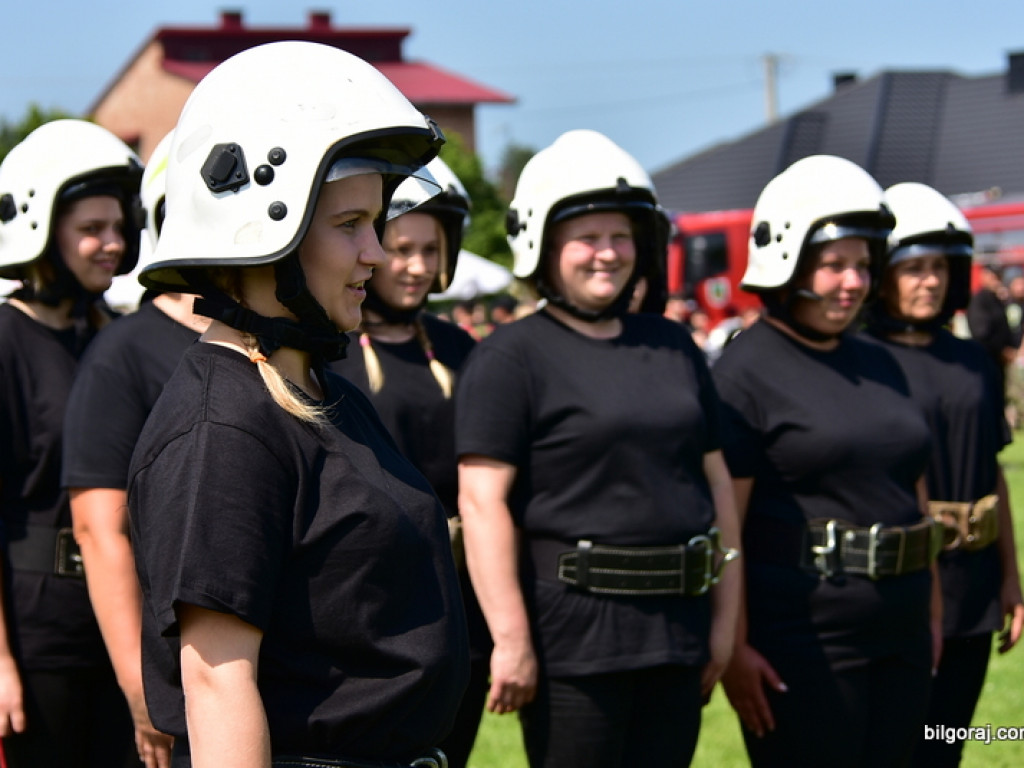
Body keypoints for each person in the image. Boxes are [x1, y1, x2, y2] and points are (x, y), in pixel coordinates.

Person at [125, 41, 468, 767]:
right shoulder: (222, 427)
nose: (376, 254)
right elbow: (218, 685)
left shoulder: (322, 394)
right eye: (350, 226)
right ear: (262, 234)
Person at [455, 129, 740, 768]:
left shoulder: (673, 346)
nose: (607, 254)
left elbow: (716, 482)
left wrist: (724, 621)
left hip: (677, 630)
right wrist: (511, 639)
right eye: (587, 238)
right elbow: (481, 503)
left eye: (620, 237)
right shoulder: (510, 357)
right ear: (545, 245)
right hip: (572, 645)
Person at [712, 155, 941, 768]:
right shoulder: (744, 372)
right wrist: (733, 647)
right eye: (835, 263)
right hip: (806, 642)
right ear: (785, 258)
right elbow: (726, 525)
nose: (855, 281)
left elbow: (911, 488)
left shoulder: (881, 360)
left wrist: (932, 608)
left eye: (864, 265)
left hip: (905, 630)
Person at [329, 156, 489, 768]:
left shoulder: (462, 349)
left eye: (431, 248)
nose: (417, 266)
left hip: (461, 599)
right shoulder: (327, 353)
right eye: (400, 248)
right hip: (368, 601)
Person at [862, 182, 1024, 767]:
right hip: (899, 589)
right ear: (882, 274)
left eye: (938, 267)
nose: (928, 280)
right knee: (893, 746)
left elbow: (995, 472)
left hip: (974, 587)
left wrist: (1011, 577)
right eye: (912, 268)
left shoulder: (973, 362)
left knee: (945, 745)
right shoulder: (860, 362)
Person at [62, 131, 209, 768]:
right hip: (164, 655)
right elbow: (102, 529)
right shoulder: (122, 353)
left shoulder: (277, 345)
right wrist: (141, 685)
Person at [0, 119, 144, 766]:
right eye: (92, 230)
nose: (112, 244)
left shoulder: (117, 337)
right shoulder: (5, 340)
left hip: (122, 620)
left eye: (119, 228)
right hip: (37, 634)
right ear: (41, 230)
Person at [967, 265, 1016, 405]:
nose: (997, 281)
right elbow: (981, 332)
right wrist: (1001, 350)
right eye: (994, 276)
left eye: (999, 277)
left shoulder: (998, 299)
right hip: (986, 358)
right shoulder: (979, 300)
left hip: (1000, 360)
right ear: (985, 276)